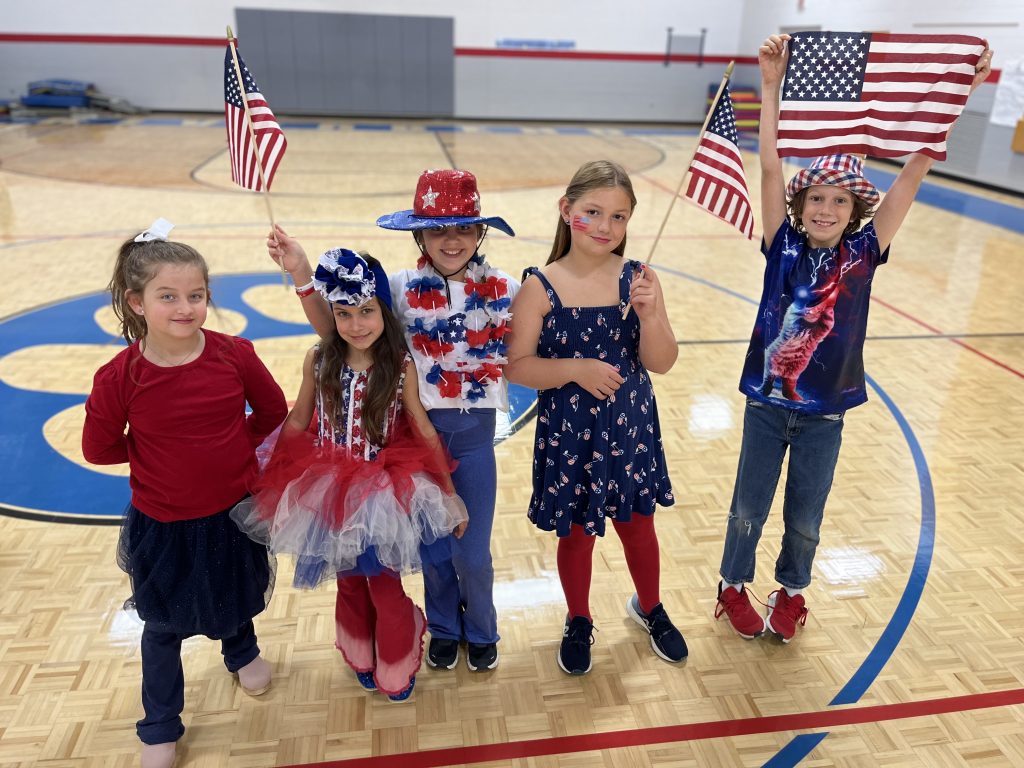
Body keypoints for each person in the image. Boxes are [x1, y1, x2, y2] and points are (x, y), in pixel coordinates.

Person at [714, 34, 995, 643]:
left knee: (806, 518)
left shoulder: (865, 251)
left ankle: (791, 592)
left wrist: (956, 98)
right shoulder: (781, 246)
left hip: (826, 413)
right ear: (800, 205)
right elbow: (769, 165)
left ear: (854, 210)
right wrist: (770, 84)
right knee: (747, 508)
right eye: (816, 198)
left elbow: (914, 172)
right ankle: (731, 585)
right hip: (768, 405)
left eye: (839, 201)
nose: (826, 209)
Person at [266, 169, 517, 673]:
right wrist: (301, 274)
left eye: (464, 228)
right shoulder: (399, 289)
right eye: (438, 229)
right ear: (419, 235)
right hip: (409, 445)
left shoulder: (507, 290)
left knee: (471, 552)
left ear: (480, 232)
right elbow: (340, 327)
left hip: (471, 444)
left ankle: (481, 627)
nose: (451, 240)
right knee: (432, 551)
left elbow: (531, 347)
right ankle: (443, 627)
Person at [81, 219, 287, 768]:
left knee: (235, 590)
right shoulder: (119, 377)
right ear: (137, 302)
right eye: (168, 296)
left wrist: (230, 446)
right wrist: (159, 454)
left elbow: (272, 411)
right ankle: (160, 723)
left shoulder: (234, 354)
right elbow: (99, 448)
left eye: (196, 295)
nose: (185, 307)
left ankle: (242, 653)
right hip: (164, 522)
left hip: (232, 511)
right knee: (163, 625)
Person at [231, 248, 468, 702]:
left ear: (384, 311)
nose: (356, 324)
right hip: (328, 488)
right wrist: (272, 480)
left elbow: (423, 429)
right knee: (349, 579)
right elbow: (298, 419)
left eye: (366, 311)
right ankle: (361, 649)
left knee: (383, 584)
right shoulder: (319, 359)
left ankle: (397, 657)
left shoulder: (400, 367)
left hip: (383, 492)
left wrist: (449, 492)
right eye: (344, 314)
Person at [504, 160, 687, 675]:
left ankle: (650, 606)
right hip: (572, 435)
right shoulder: (540, 286)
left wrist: (651, 316)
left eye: (619, 216)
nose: (606, 226)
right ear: (567, 210)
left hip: (630, 430)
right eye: (593, 212)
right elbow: (517, 367)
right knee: (576, 534)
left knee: (638, 525)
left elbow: (662, 362)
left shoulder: (639, 279)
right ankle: (579, 617)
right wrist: (575, 369)